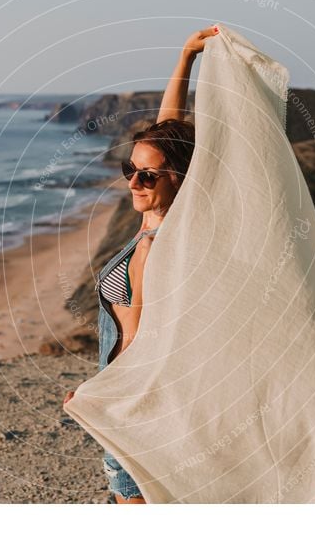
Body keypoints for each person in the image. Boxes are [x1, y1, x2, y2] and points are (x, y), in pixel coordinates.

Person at [63, 25, 219, 503]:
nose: (134, 181)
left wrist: (95, 400)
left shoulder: (154, 247)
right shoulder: (170, 219)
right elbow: (168, 132)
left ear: (177, 177)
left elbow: (134, 344)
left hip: (134, 411)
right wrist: (185, 57)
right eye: (129, 168)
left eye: (146, 175)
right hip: (159, 408)